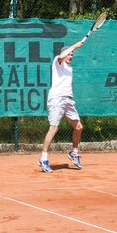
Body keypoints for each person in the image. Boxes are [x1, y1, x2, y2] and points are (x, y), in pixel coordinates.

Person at [39, 38, 85, 173]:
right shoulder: (57, 62)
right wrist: (75, 45)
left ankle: (74, 153)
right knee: (54, 128)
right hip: (57, 99)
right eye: (69, 54)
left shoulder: (70, 70)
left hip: (68, 100)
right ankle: (43, 158)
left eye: (72, 55)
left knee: (78, 127)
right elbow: (61, 56)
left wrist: (73, 48)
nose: (71, 56)